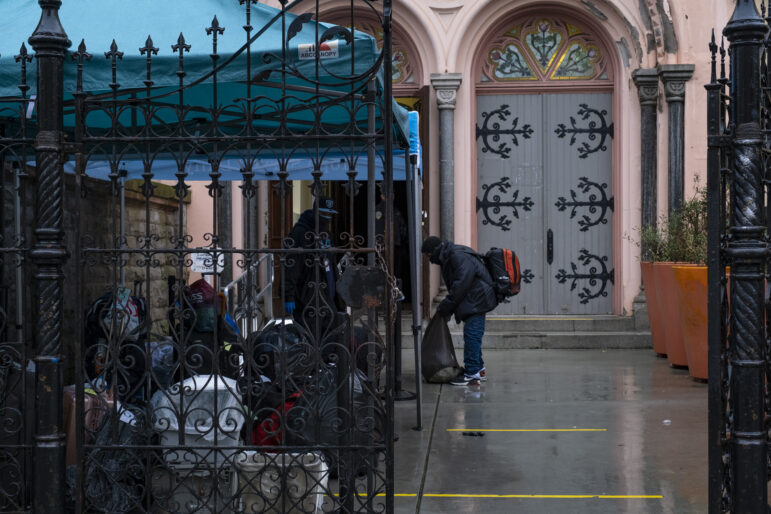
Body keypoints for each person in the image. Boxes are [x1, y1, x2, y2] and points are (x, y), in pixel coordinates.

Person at [421, 236, 497, 386]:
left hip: (478, 300)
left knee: (472, 336)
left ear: (435, 251)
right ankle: (479, 370)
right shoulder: (450, 256)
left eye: (429, 256)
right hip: (476, 299)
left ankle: (472, 374)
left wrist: (446, 305)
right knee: (472, 335)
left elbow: (462, 283)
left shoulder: (457, 255)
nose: (430, 260)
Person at [283, 195, 340, 333]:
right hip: (307, 296)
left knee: (329, 338)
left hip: (328, 294)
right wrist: (288, 295)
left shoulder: (326, 233)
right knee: (310, 337)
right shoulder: (300, 233)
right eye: (324, 214)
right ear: (315, 212)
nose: (327, 218)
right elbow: (291, 265)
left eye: (330, 215)